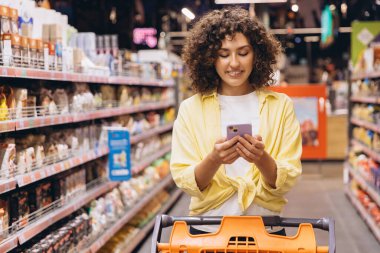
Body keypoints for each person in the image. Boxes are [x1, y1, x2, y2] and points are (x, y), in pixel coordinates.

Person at [170, 7, 302, 235]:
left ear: (257, 55)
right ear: (209, 58)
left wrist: (261, 159)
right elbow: (185, 179)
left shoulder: (280, 106)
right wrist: (213, 159)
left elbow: (288, 177)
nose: (233, 63)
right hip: (208, 230)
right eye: (223, 54)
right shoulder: (191, 110)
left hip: (265, 230)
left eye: (243, 52)